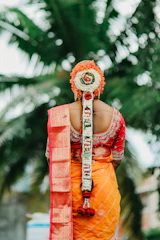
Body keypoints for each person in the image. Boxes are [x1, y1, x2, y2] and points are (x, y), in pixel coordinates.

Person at [46, 60, 126, 240]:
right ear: (100, 83)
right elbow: (118, 158)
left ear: (75, 83)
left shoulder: (60, 115)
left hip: (70, 190)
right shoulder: (116, 117)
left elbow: (52, 158)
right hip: (104, 188)